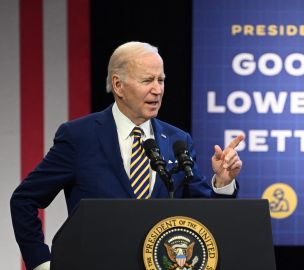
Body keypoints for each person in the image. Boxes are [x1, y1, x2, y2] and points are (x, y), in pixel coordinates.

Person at [10, 41, 244, 270]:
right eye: (147, 80)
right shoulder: (79, 137)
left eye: (161, 80)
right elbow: (24, 200)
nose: (158, 89)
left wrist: (222, 184)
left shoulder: (177, 140)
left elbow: (203, 216)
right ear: (118, 85)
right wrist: (41, 262)